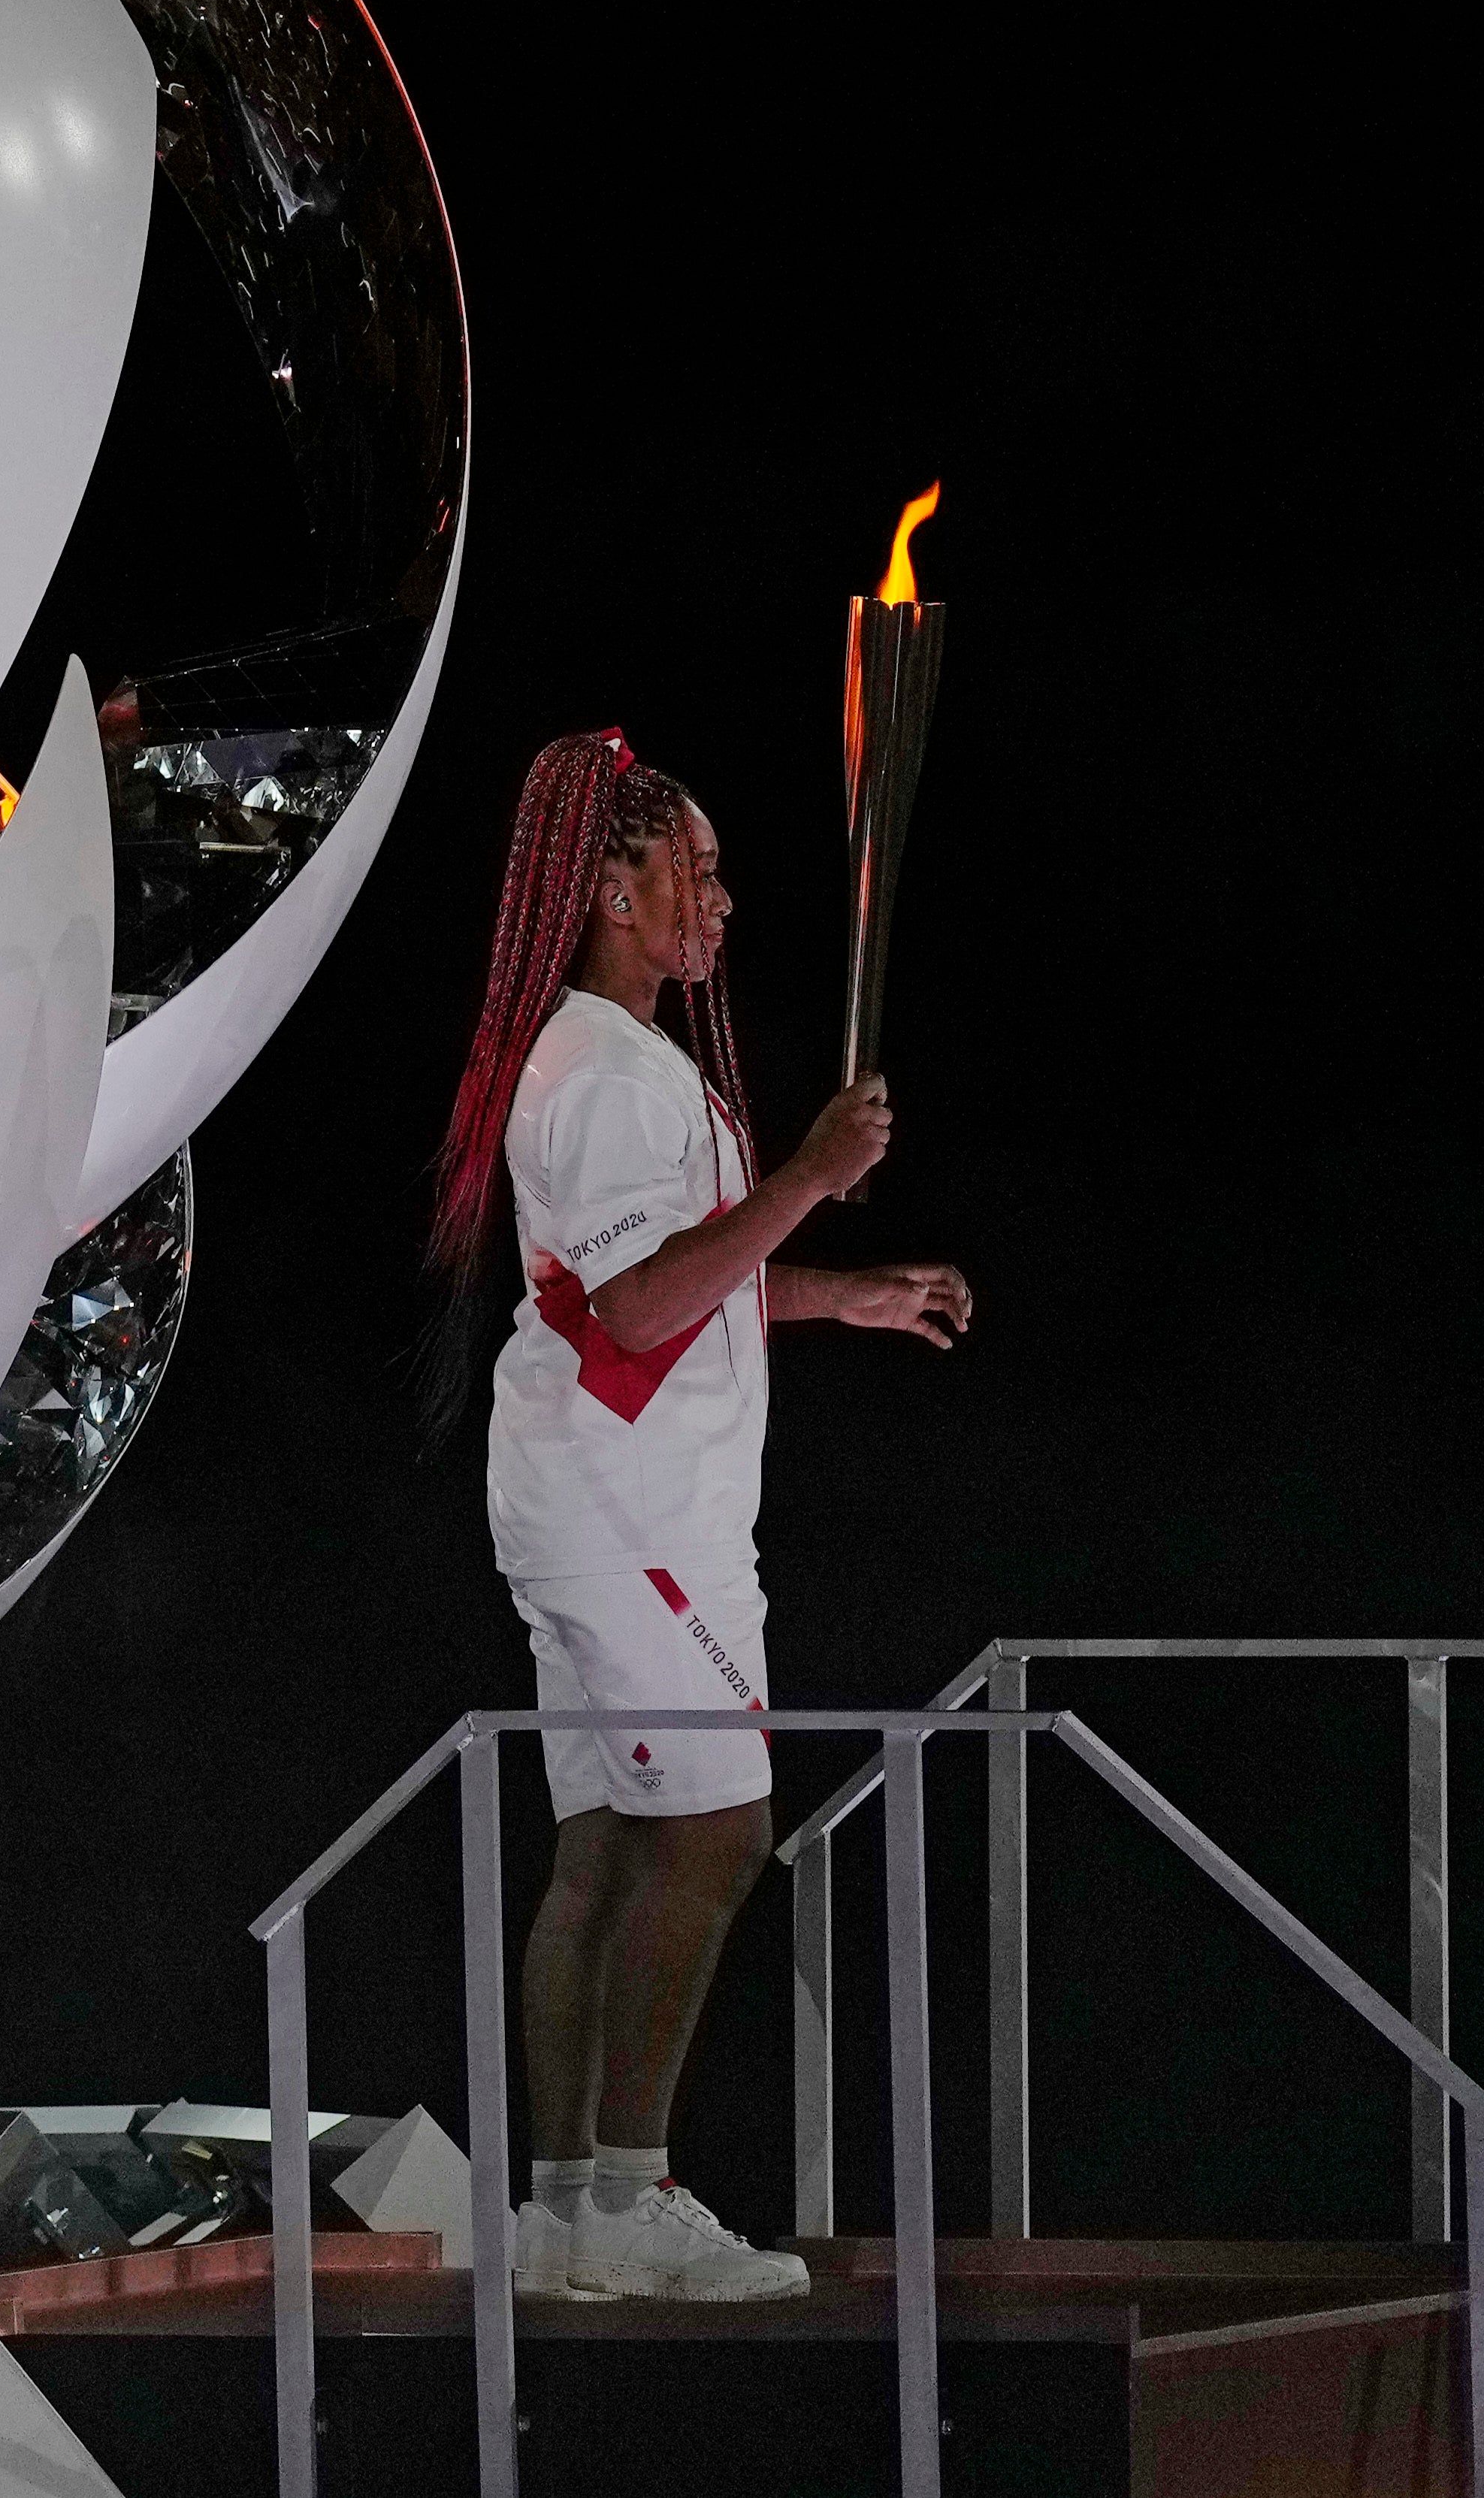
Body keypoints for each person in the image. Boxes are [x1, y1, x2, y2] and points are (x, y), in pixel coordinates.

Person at [418, 728, 975, 2303]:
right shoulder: (599, 1072)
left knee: (601, 1851)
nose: (720, 901)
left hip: (592, 1505)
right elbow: (648, 1308)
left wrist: (843, 1293)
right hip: (633, 1520)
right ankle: (631, 2200)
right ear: (612, 886)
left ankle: (561, 2214)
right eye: (698, 870)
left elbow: (672, 1285)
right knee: (715, 1838)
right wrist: (804, 1171)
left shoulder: (611, 1062)